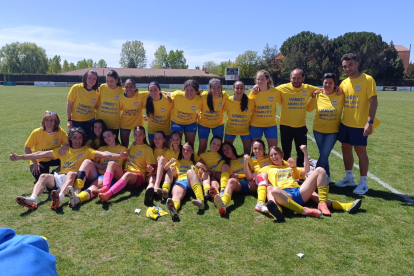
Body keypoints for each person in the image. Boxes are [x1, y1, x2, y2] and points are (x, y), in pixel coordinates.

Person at [11, 127, 127, 210]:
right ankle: (32, 199)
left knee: (71, 173)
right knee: (43, 176)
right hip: (60, 178)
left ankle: (60, 198)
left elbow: (104, 154)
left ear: (83, 139)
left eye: (79, 138)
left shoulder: (87, 150)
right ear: (70, 139)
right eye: (74, 138)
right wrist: (20, 157)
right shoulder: (63, 150)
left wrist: (118, 156)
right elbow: (39, 154)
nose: (77, 141)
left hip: (73, 179)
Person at [259, 146, 362, 222]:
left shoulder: (290, 167)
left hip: (299, 191)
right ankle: (302, 211)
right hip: (285, 195)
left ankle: (328, 204)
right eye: (271, 155)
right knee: (274, 189)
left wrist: (304, 152)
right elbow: (252, 176)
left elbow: (306, 170)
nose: (273, 156)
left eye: (276, 154)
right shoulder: (267, 169)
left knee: (320, 170)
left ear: (281, 155)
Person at [334, 53, 378, 195]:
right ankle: (349, 178)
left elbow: (374, 102)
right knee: (345, 149)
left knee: (361, 152)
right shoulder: (344, 82)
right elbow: (337, 96)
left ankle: (363, 183)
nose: (347, 68)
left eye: (350, 65)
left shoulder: (367, 80)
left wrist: (369, 122)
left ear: (357, 64)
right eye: (345, 66)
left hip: (360, 124)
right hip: (346, 123)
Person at [65, 129, 128, 208]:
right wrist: (102, 167)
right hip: (97, 173)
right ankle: (76, 191)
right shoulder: (102, 148)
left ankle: (78, 199)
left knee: (94, 187)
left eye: (109, 135)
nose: (107, 138)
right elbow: (96, 160)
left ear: (115, 136)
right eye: (104, 137)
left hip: (108, 177)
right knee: (87, 161)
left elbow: (126, 166)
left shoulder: (123, 149)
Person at [97, 126, 156, 202]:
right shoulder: (133, 145)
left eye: (140, 134)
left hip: (138, 176)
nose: (137, 137)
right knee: (111, 163)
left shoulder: (148, 149)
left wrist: (150, 168)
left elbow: (151, 166)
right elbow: (127, 156)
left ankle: (108, 194)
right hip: (126, 173)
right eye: (135, 134)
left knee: (127, 174)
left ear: (144, 135)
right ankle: (105, 187)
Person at [276, 69, 322, 167]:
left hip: (301, 126)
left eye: (298, 78)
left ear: (303, 78)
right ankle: (286, 174)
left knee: (301, 151)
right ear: (290, 78)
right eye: (294, 78)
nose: (296, 80)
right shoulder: (282, 88)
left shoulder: (308, 88)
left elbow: (324, 90)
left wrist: (337, 89)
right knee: (286, 151)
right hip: (285, 125)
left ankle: (300, 174)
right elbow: (269, 90)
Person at [307, 73, 344, 184]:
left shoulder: (340, 95)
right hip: (318, 130)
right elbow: (309, 109)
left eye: (330, 83)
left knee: (324, 154)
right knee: (323, 154)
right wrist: (313, 97)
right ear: (322, 83)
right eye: (325, 82)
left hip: (333, 131)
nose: (327, 84)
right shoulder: (318, 95)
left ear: (334, 84)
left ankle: (313, 177)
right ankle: (326, 176)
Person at [213, 142, 258, 215]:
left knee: (260, 178)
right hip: (238, 184)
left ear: (232, 149)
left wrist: (241, 175)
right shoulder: (224, 162)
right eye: (224, 150)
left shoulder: (243, 157)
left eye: (228, 148)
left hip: (250, 182)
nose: (226, 151)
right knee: (230, 180)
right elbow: (217, 174)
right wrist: (230, 177)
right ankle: (223, 203)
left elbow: (254, 171)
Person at [164, 142, 206, 219]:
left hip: (193, 182)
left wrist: (202, 168)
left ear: (192, 151)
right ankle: (174, 209)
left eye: (188, 150)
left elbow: (205, 172)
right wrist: (170, 163)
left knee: (190, 172)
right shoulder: (177, 161)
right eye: (184, 149)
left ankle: (200, 200)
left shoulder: (195, 163)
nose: (185, 152)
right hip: (181, 181)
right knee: (176, 195)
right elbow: (166, 169)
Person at [24, 111, 68, 182]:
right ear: (43, 121)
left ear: (56, 122)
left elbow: (70, 143)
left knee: (70, 160)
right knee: (41, 179)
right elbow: (27, 148)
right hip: (40, 160)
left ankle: (56, 171)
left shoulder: (60, 131)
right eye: (46, 120)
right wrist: (35, 163)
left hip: (54, 158)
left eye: (51, 120)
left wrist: (64, 146)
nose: (49, 123)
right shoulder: (37, 132)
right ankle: (51, 175)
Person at [248, 70, 279, 149]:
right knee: (256, 150)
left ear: (267, 79)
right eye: (258, 79)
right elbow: (249, 109)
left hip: (271, 125)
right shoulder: (253, 93)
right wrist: (253, 93)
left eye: (262, 79)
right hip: (256, 125)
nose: (260, 81)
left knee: (273, 149)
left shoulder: (275, 91)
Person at [197, 78, 228, 154]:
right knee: (202, 146)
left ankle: (218, 163)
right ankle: (197, 163)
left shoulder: (224, 95)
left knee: (218, 146)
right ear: (209, 89)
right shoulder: (203, 96)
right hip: (203, 124)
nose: (216, 90)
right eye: (214, 88)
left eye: (218, 87)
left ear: (221, 88)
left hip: (218, 124)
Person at [66, 69, 100, 138]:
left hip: (90, 121)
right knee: (76, 142)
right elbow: (69, 104)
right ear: (85, 78)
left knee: (89, 142)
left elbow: (96, 107)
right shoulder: (76, 88)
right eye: (89, 78)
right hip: (76, 121)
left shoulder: (97, 92)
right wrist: (69, 120)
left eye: (94, 79)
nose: (91, 80)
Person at [224, 80, 254, 154]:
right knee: (226, 150)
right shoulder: (228, 100)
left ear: (244, 89)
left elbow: (254, 112)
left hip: (245, 130)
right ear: (233, 89)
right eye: (237, 88)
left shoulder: (250, 101)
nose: (239, 90)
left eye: (241, 88)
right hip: (230, 130)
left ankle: (245, 164)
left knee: (247, 151)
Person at [170, 79, 202, 146]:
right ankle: (176, 156)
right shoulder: (178, 95)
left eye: (192, 90)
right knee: (175, 145)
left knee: (189, 145)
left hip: (191, 123)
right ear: (183, 90)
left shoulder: (199, 99)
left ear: (196, 91)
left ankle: (189, 157)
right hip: (176, 122)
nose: (189, 93)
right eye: (187, 90)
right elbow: (167, 94)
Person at [143, 81, 173, 148]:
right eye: (151, 90)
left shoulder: (168, 99)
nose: (153, 92)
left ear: (159, 90)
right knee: (153, 148)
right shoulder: (145, 99)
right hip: (152, 129)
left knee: (166, 148)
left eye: (155, 90)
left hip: (166, 129)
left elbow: (179, 94)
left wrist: (167, 93)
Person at [96, 70, 124, 136]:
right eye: (107, 81)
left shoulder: (122, 91)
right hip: (100, 123)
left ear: (117, 80)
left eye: (111, 81)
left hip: (114, 125)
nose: (109, 83)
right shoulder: (102, 87)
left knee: (113, 144)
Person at [119, 79, 146, 148]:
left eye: (131, 86)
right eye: (126, 87)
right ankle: (124, 158)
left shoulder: (140, 95)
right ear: (124, 88)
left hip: (138, 123)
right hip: (125, 123)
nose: (128, 89)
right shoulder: (121, 97)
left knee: (142, 143)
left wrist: (168, 94)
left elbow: (155, 91)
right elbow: (119, 109)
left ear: (135, 87)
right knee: (124, 145)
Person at [156, 131, 183, 199]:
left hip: (182, 173)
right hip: (172, 173)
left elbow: (194, 159)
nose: (175, 141)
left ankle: (164, 189)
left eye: (177, 139)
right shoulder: (168, 152)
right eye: (173, 139)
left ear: (181, 140)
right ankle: (165, 190)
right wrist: (170, 163)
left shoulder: (184, 150)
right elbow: (165, 168)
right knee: (171, 168)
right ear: (170, 140)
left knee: (171, 169)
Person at [196, 136, 224, 200]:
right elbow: (200, 170)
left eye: (218, 145)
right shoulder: (202, 155)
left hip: (215, 177)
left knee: (214, 182)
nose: (215, 146)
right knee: (208, 175)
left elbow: (214, 174)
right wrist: (201, 169)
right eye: (214, 143)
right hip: (206, 177)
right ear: (210, 143)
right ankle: (208, 192)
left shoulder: (221, 156)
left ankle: (215, 197)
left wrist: (204, 167)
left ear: (220, 147)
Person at [144, 131, 168, 206]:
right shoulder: (150, 150)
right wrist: (149, 168)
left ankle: (155, 189)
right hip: (152, 173)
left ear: (164, 140)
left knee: (162, 159)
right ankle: (148, 196)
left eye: (159, 138)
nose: (156, 140)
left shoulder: (168, 151)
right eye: (155, 138)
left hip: (163, 174)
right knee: (151, 181)